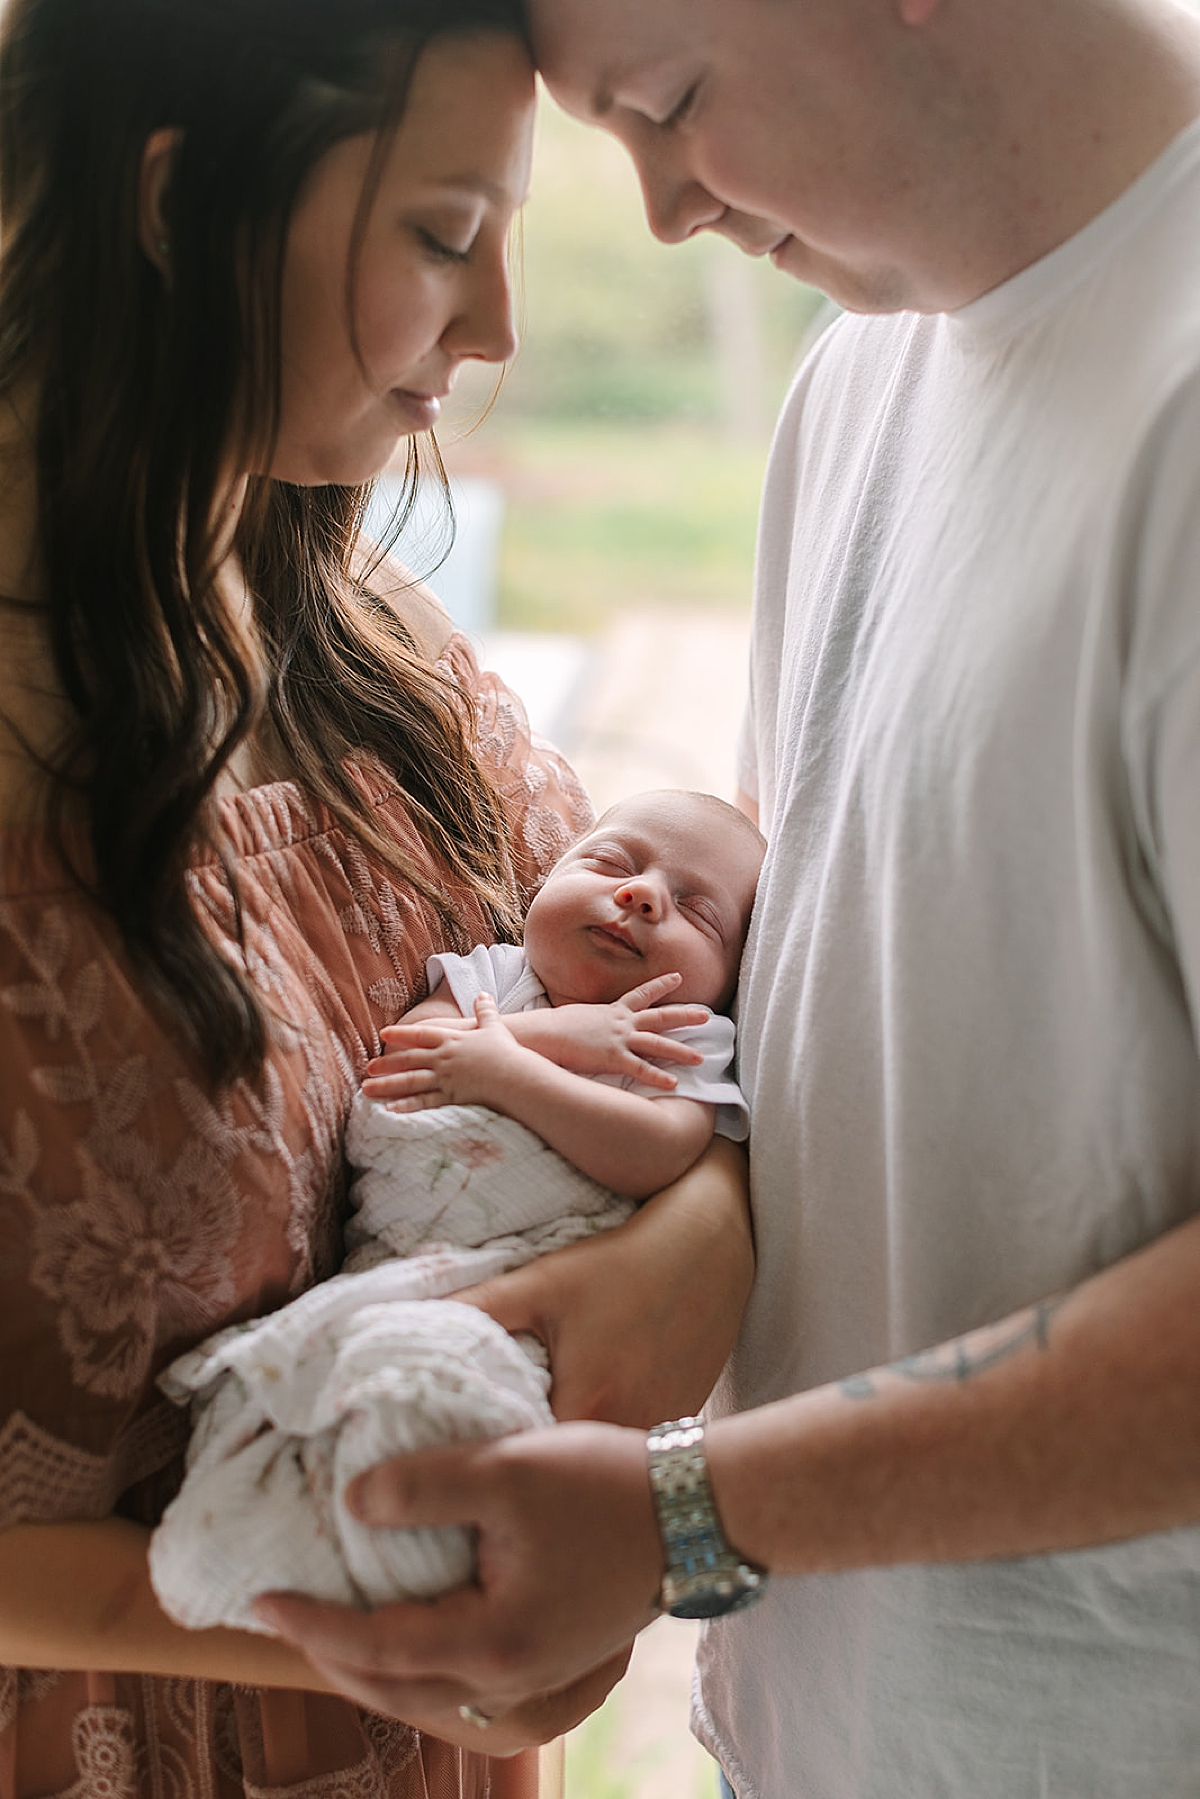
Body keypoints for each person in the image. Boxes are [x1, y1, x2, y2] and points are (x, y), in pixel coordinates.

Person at [255, 1, 1200, 1795]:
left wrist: (696, 1511)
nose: (669, 210)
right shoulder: (863, 377)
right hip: (835, 1734)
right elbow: (861, 972)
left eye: (671, 103)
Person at [0, 1, 757, 1794]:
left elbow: (678, 1070)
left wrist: (692, 1238)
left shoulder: (389, 673)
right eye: (443, 234)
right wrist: (367, 1621)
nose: (497, 329)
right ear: (180, 205)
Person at [148, 790, 763, 1636]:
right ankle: (297, 1524)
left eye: (698, 911)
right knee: (338, 1378)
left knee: (453, 1382)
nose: (644, 896)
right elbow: (400, 1079)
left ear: (730, 982)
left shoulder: (685, 1035)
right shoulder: (491, 975)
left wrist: (505, 1067)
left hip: (529, 1295)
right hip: (411, 1253)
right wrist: (566, 1042)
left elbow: (656, 1150)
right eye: (613, 863)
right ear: (548, 878)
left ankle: (416, 1531)